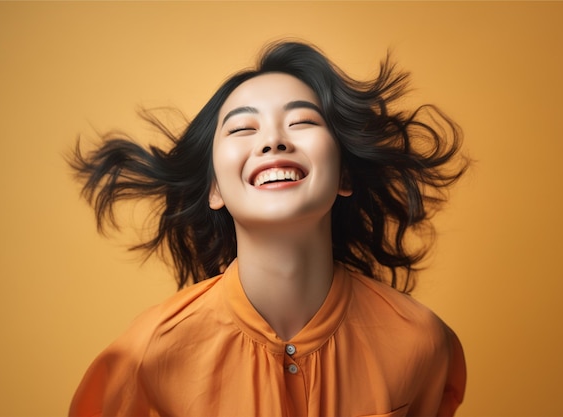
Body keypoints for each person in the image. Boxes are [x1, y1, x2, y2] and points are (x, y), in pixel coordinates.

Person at [68, 40, 468, 417]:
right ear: (214, 189)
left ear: (344, 174)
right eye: (243, 129)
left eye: (301, 121)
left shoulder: (421, 341)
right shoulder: (150, 353)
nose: (273, 140)